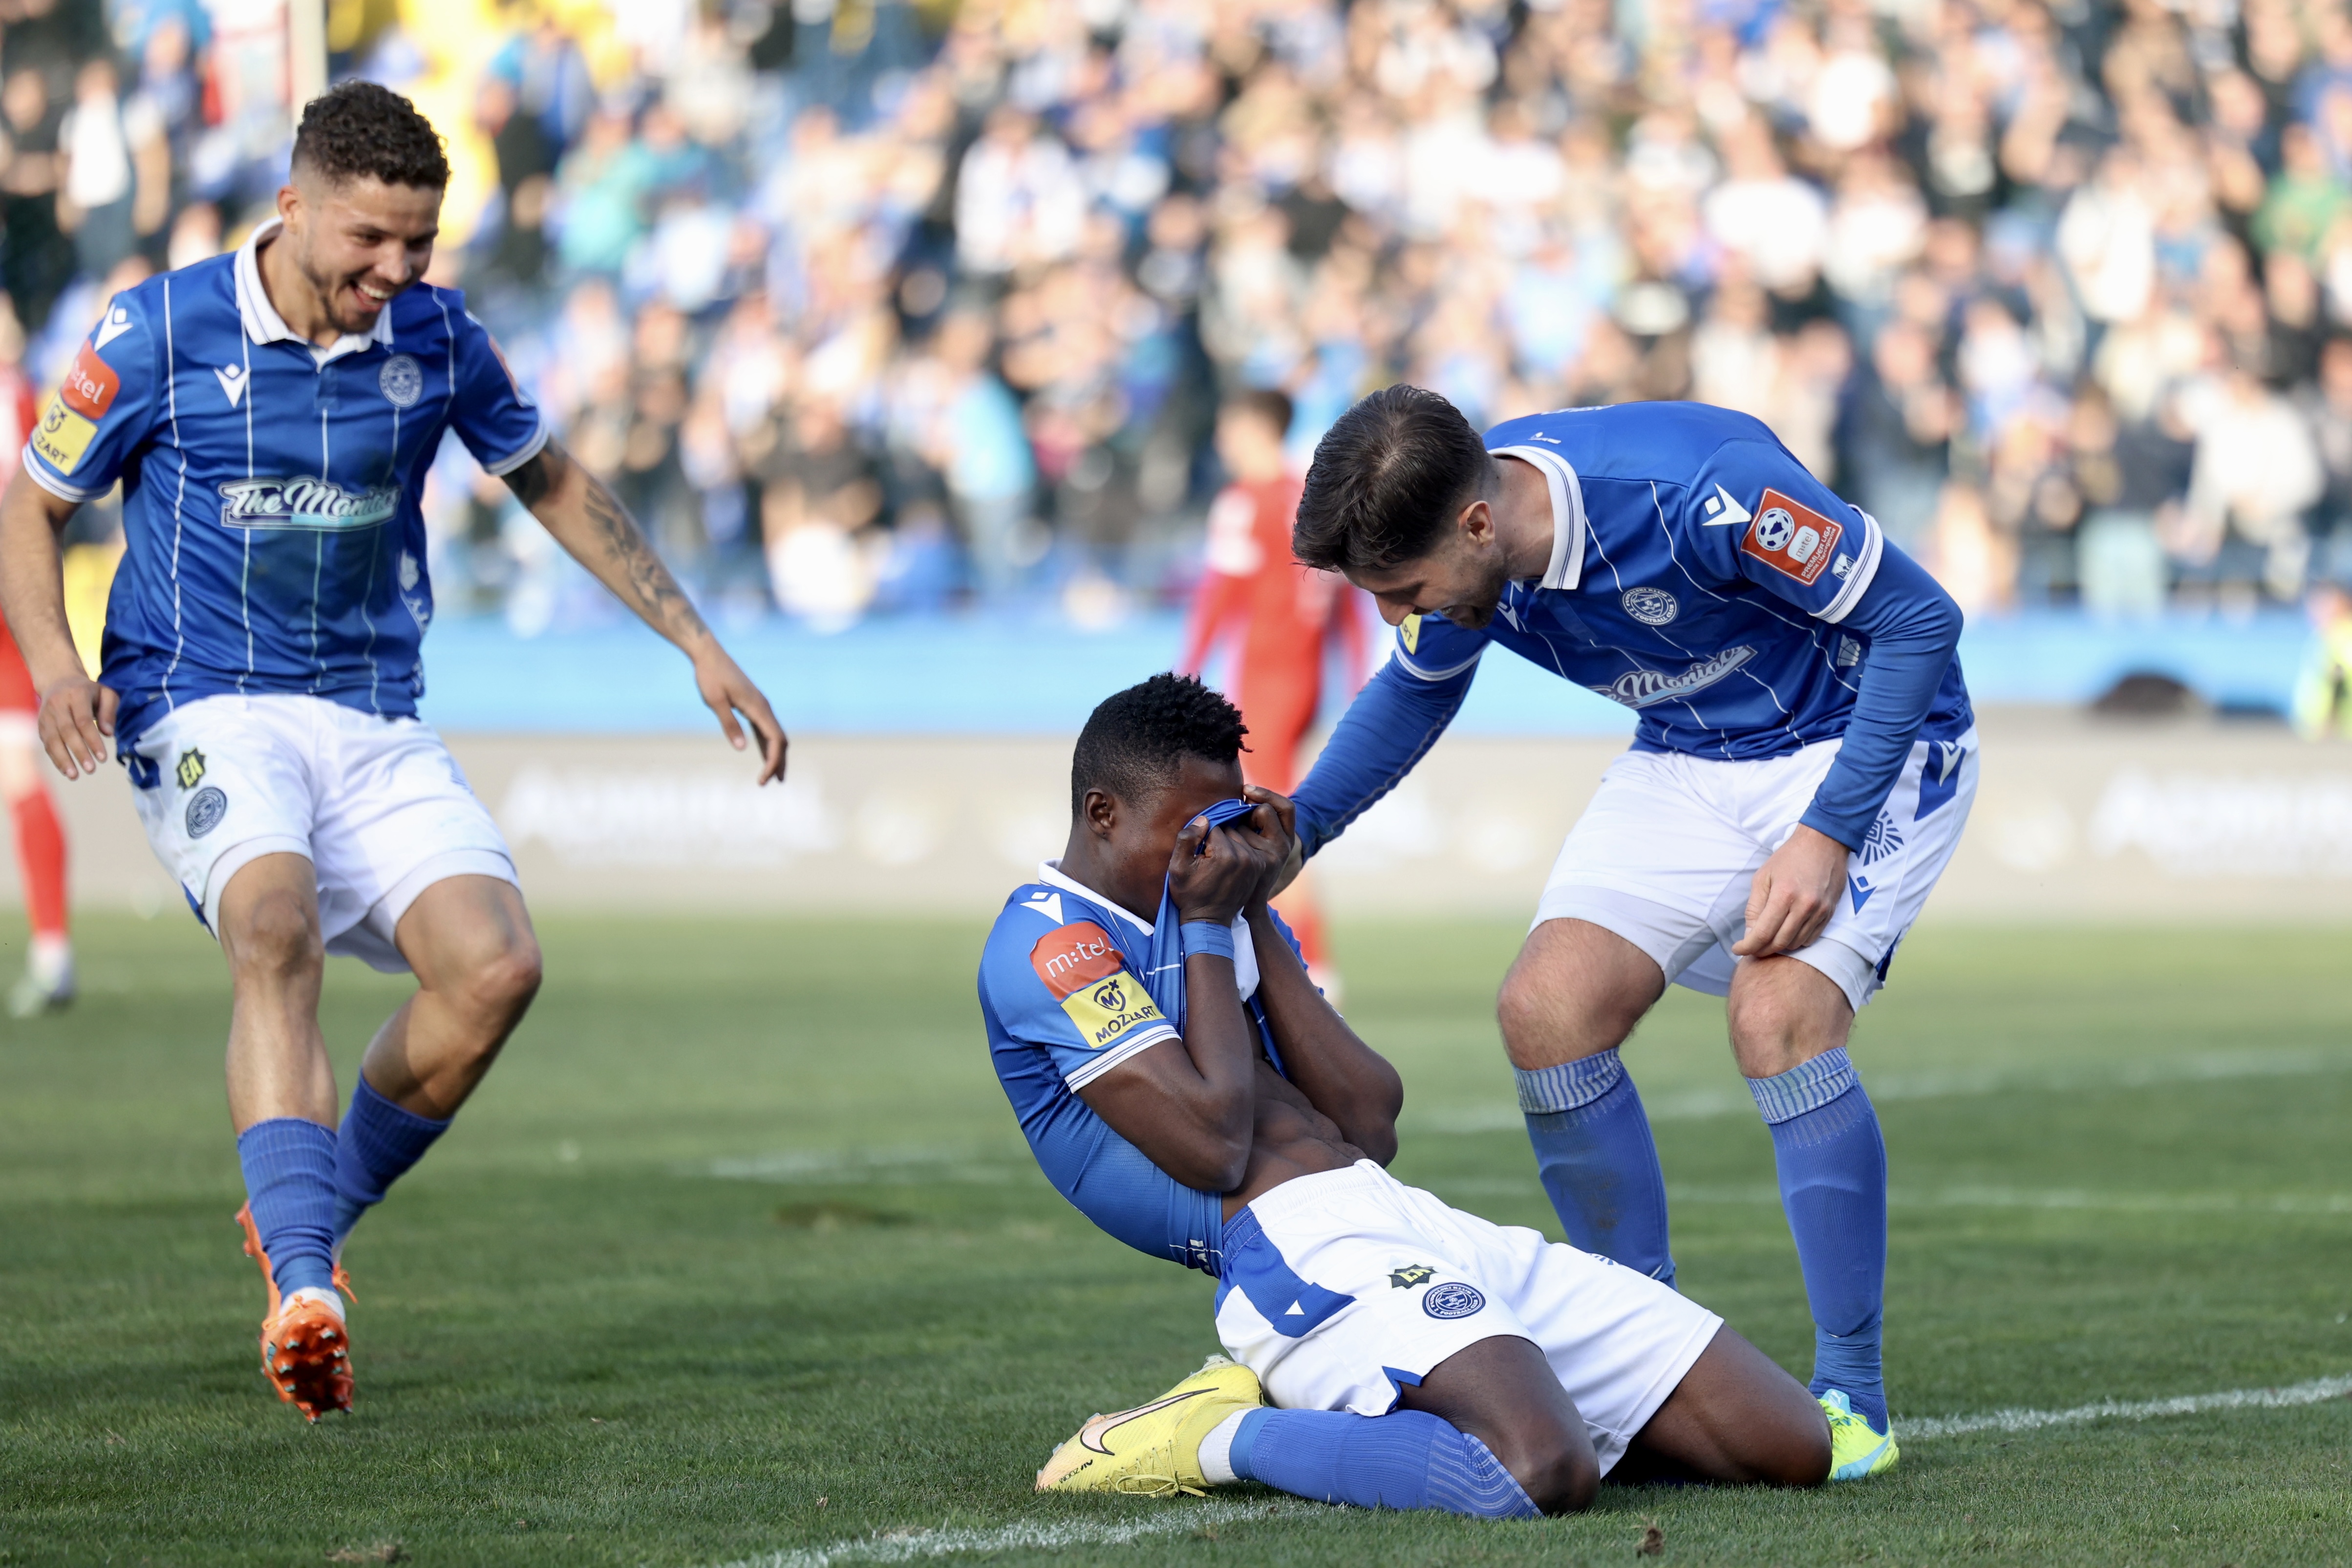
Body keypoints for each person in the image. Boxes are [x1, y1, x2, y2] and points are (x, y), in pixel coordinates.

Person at [0, 83, 786, 1421]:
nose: (396, 270)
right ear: (293, 206)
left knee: (495, 969)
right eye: (371, 240)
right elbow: (33, 502)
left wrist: (693, 638)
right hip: (200, 694)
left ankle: (298, 1207)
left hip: (371, 704)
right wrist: (62, 666)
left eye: (418, 243)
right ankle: (305, 1283)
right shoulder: (157, 331)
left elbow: (546, 478)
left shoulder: (436, 334)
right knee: (274, 923)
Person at [1282, 386, 1978, 1481]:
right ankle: (1651, 1360)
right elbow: (1415, 693)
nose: (1393, 614)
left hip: (1860, 744)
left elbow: (1921, 621)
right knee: (1545, 1011)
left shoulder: (1699, 493)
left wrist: (1827, 832)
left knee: (1779, 1016)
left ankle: (1853, 1394)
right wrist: (1299, 828)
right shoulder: (1466, 544)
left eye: (1402, 590)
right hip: (1691, 754)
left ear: (1476, 524)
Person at [979, 674, 1830, 1516]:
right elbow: (1213, 1144)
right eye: (1187, 830)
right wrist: (1208, 922)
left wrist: (1251, 910)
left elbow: (1368, 1117)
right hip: (1289, 1249)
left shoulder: (1220, 901)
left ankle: (1430, 1398)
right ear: (1102, 813)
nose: (1213, 850)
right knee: (1534, 1466)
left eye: (1226, 823)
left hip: (1397, 1210)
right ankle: (1213, 1433)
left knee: (1788, 1441)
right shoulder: (1050, 940)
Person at [1176, 388, 1362, 978]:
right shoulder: (1309, 498)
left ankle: (1313, 964)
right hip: (1307, 679)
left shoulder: (1244, 500)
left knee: (1267, 827)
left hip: (1265, 681)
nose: (1221, 441)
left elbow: (1218, 593)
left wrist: (1185, 674)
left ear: (1256, 429)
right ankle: (1293, 961)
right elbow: (1347, 601)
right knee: (1270, 817)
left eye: (1229, 428)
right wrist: (1352, 675)